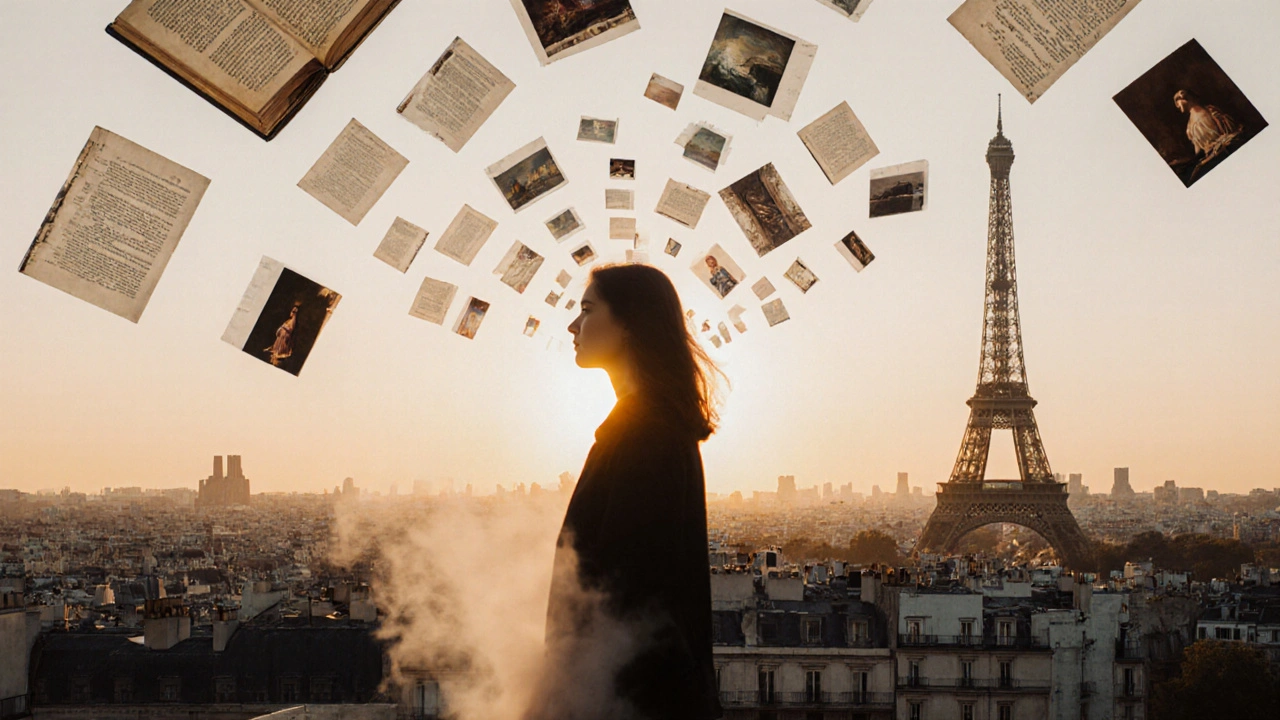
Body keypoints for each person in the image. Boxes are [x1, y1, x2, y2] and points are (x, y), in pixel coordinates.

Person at [529, 264, 724, 720]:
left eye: (588, 310)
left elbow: (623, 597)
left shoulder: (645, 436)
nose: (574, 325)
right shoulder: (650, 428)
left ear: (630, 324)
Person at [1174, 88, 1242, 164]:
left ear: (1185, 98)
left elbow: (1227, 130)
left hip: (1227, 149)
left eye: (1177, 100)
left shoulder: (1210, 110)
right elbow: (1198, 151)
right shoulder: (1189, 127)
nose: (1177, 105)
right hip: (1213, 157)